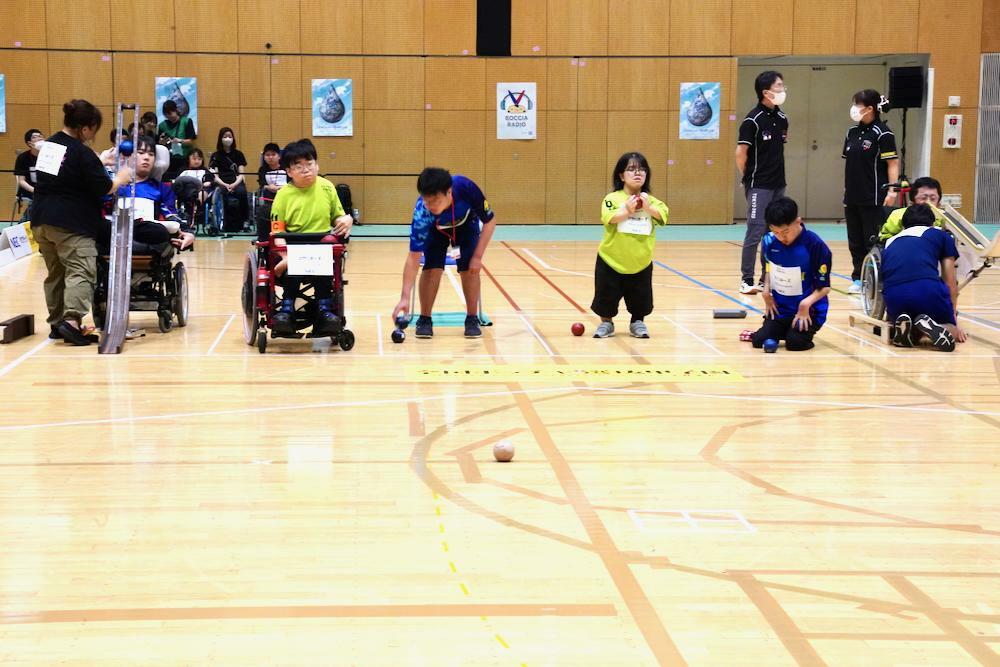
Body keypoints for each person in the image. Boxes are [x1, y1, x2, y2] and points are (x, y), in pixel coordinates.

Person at [30, 99, 132, 346]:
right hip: (71, 222)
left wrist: (98, 161)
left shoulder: (51, 145)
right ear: (85, 128)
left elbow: (66, 172)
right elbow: (104, 188)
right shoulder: (81, 152)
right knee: (80, 270)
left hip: (42, 219)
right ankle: (72, 322)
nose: (93, 135)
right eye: (93, 130)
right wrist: (121, 177)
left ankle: (56, 325)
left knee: (56, 273)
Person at [392, 167, 497, 339]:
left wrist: (477, 257)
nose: (431, 206)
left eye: (436, 201)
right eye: (427, 201)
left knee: (468, 268)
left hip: (465, 226)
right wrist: (404, 298)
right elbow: (413, 258)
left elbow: (490, 222)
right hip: (436, 230)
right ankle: (425, 319)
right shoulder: (423, 213)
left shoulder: (466, 188)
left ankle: (472, 318)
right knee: (432, 268)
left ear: (449, 192)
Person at [269, 139, 353, 336]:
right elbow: (277, 232)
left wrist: (347, 219)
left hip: (321, 244)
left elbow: (337, 217)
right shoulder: (283, 195)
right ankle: (287, 310)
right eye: (299, 167)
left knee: (326, 252)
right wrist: (285, 257)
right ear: (289, 172)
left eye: (310, 164)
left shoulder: (327, 187)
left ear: (317, 165)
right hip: (291, 245)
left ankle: (325, 311)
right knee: (296, 262)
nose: (306, 170)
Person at [591, 152, 669, 339]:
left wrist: (648, 208)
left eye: (642, 169)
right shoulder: (612, 198)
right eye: (631, 169)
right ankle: (606, 323)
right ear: (621, 175)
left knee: (640, 298)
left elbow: (662, 216)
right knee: (606, 296)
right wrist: (627, 209)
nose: (638, 173)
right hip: (611, 260)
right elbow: (609, 218)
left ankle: (638, 322)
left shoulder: (653, 201)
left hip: (641, 261)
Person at [881, 204, 965, 351]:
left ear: (903, 225)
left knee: (907, 318)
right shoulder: (941, 235)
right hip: (926, 289)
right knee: (951, 329)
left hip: (893, 295)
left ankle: (910, 329)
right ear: (932, 223)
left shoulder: (890, 242)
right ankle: (937, 326)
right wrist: (953, 322)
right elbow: (950, 281)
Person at [751, 197, 831, 352]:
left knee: (795, 344)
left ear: (798, 221)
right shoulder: (769, 241)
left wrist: (805, 305)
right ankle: (784, 330)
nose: (782, 237)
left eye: (785, 232)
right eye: (776, 232)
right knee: (759, 341)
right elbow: (770, 268)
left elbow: (825, 288)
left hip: (808, 310)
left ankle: (794, 333)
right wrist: (766, 291)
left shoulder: (815, 245)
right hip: (780, 309)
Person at [736, 70, 788, 295]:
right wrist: (749, 178)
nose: (783, 90)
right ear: (766, 92)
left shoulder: (782, 118)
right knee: (755, 230)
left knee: (774, 231)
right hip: (759, 185)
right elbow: (741, 153)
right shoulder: (752, 120)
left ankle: (765, 278)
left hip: (779, 183)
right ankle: (746, 279)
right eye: (779, 86)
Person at [842, 89, 899, 294]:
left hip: (874, 196)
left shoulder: (883, 133)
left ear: (870, 109)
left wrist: (892, 190)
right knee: (855, 240)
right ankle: (858, 278)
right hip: (853, 196)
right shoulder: (851, 133)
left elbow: (892, 163)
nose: (854, 109)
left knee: (871, 239)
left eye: (858, 105)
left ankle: (874, 280)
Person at [114, 135, 194, 250]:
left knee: (160, 232)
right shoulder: (114, 186)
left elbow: (172, 215)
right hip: (115, 234)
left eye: (151, 154)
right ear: (127, 155)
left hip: (147, 235)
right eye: (141, 152)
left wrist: (188, 233)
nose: (146, 158)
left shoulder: (161, 189)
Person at [878, 176, 944, 241]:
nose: (928, 202)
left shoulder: (943, 218)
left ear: (938, 202)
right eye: (923, 198)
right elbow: (883, 238)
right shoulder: (898, 215)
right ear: (912, 201)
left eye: (933, 199)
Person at [209, 127, 249, 233]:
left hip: (236, 181)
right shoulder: (215, 156)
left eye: (230, 136)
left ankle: (245, 221)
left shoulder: (239, 154)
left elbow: (241, 174)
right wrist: (225, 184)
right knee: (221, 193)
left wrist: (235, 184)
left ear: (233, 138)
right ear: (220, 139)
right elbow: (215, 176)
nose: (227, 138)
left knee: (242, 192)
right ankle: (224, 222)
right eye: (225, 136)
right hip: (221, 182)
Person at [157, 100, 197, 180]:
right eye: (166, 114)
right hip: (168, 159)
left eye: (170, 113)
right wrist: (161, 142)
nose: (169, 116)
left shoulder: (186, 121)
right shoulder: (162, 125)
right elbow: (159, 143)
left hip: (184, 159)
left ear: (176, 110)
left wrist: (180, 141)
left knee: (183, 180)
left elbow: (191, 141)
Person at [255, 142, 287, 236]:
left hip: (284, 195)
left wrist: (280, 188)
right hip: (269, 197)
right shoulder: (262, 170)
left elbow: (291, 183)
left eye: (273, 154)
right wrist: (268, 187)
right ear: (264, 157)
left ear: (279, 156)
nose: (270, 157)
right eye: (267, 155)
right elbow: (262, 184)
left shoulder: (286, 168)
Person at [13, 129, 44, 222]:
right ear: (29, 143)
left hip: (48, 189)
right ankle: (24, 224)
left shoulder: (50, 156)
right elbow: (21, 181)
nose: (39, 138)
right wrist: (35, 190)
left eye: (41, 136)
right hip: (30, 190)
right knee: (39, 200)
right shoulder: (23, 158)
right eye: (35, 137)